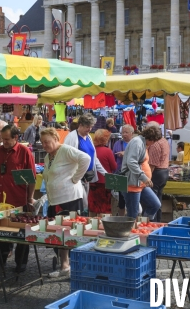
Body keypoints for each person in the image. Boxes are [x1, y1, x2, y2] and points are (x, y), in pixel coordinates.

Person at [0, 125, 36, 271]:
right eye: (2, 139)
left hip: (18, 200)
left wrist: (30, 198)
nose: (4, 142)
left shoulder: (24, 152)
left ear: (15, 138)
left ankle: (21, 262)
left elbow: (31, 179)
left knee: (20, 233)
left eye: (7, 139)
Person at [40, 128, 89, 277]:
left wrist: (75, 178)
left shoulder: (66, 150)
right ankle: (65, 265)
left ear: (56, 138)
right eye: (42, 142)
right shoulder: (49, 156)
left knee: (70, 232)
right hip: (56, 199)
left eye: (47, 142)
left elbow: (86, 159)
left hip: (70, 198)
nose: (44, 145)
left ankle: (72, 266)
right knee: (59, 232)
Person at [64, 113, 107, 213]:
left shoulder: (88, 138)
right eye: (87, 127)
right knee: (83, 203)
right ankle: (80, 223)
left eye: (91, 127)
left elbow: (94, 158)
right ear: (81, 125)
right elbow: (67, 158)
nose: (89, 129)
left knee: (85, 204)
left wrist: (105, 173)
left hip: (87, 177)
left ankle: (82, 222)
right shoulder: (71, 137)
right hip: (77, 178)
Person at [121, 127, 161, 219]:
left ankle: (142, 224)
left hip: (140, 184)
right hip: (132, 185)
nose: (153, 144)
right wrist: (144, 177)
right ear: (150, 138)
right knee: (133, 214)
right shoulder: (137, 142)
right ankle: (132, 231)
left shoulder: (142, 143)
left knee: (155, 204)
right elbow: (131, 162)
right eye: (154, 141)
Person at [142, 125, 170, 222]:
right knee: (158, 199)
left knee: (151, 200)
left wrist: (146, 179)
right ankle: (158, 221)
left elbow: (152, 164)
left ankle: (151, 222)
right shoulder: (164, 141)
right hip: (164, 171)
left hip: (157, 173)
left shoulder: (154, 144)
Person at [89, 129, 117, 215]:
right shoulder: (107, 151)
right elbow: (114, 167)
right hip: (105, 182)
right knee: (105, 207)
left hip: (92, 182)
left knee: (93, 206)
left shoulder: (91, 150)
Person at [112, 125, 134, 215]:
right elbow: (113, 157)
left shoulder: (135, 143)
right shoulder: (118, 143)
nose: (124, 134)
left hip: (132, 174)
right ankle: (121, 217)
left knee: (131, 197)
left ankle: (131, 216)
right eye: (122, 133)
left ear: (132, 133)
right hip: (120, 172)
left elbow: (139, 157)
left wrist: (126, 154)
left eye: (126, 132)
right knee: (121, 198)